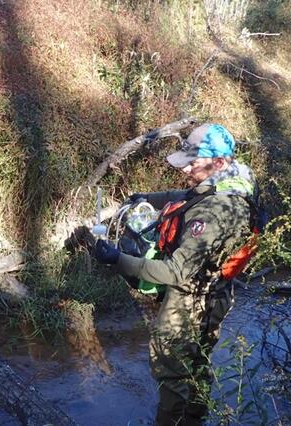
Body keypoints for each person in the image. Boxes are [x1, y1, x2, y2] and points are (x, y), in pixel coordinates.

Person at [94, 123, 260, 425]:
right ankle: (196, 419)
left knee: (171, 371)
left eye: (192, 163)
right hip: (220, 292)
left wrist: (118, 259)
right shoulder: (236, 182)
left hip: (191, 300)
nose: (185, 169)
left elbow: (175, 272)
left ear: (218, 162)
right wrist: (149, 196)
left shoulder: (212, 214)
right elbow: (190, 195)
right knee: (198, 364)